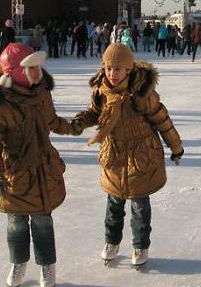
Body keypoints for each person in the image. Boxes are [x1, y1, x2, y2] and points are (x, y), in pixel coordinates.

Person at [70, 43, 183, 267]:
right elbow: (95, 112)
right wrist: (81, 121)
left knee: (140, 206)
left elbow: (162, 120)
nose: (113, 74)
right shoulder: (101, 91)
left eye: (118, 69)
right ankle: (111, 242)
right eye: (109, 68)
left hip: (142, 157)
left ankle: (140, 246)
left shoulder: (142, 94)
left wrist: (176, 147)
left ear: (129, 70)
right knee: (114, 204)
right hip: (114, 156)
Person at [0, 43, 79, 287]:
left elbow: (52, 121)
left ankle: (47, 265)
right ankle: (18, 262)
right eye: (31, 68)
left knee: (43, 222)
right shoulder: (0, 105)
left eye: (38, 67)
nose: (37, 73)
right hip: (15, 172)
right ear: (13, 72)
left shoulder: (42, 93)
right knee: (16, 223)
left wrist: (74, 126)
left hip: (43, 168)